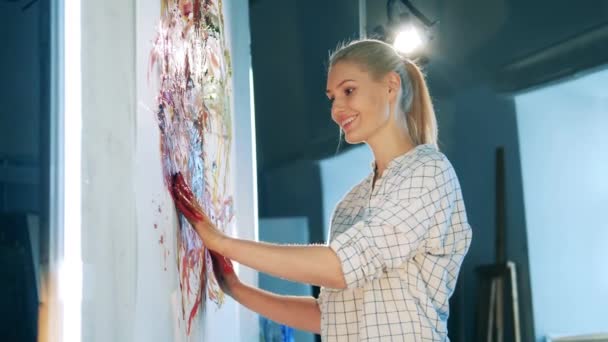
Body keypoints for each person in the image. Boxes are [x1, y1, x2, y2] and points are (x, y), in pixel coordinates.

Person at [171, 39, 472, 341]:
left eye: (348, 91)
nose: (336, 109)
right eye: (332, 97)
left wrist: (222, 243)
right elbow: (329, 315)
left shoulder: (429, 171)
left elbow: (340, 267)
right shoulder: (350, 205)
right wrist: (235, 288)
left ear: (391, 86)